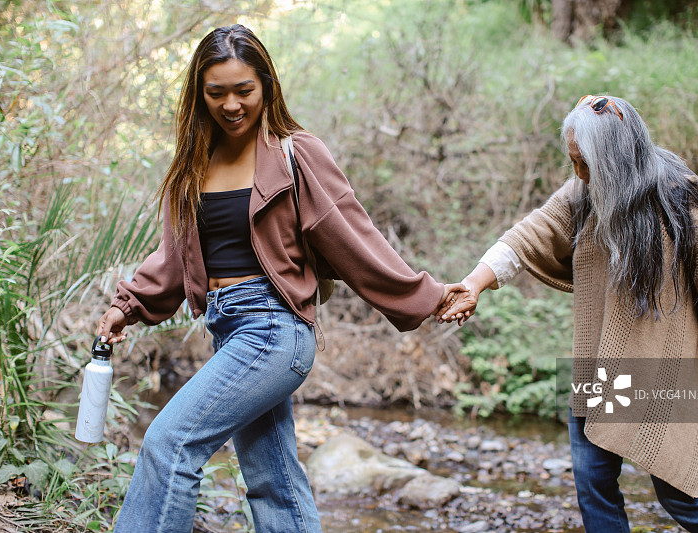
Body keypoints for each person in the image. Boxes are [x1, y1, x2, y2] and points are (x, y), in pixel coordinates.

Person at [96, 25, 462, 533]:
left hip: (273, 329)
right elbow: (176, 255)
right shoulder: (193, 165)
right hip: (229, 331)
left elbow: (353, 234)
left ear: (266, 84)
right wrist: (128, 304)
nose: (231, 104)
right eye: (216, 92)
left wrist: (427, 295)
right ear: (199, 95)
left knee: (170, 443)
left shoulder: (295, 153)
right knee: (274, 480)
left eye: (243, 90)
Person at [439, 95, 698, 533]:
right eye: (573, 162)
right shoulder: (581, 193)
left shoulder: (679, 194)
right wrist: (473, 283)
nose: (578, 174)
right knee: (592, 482)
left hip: (663, 366)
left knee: (681, 496)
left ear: (616, 155)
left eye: (586, 163)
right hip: (600, 363)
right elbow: (529, 234)